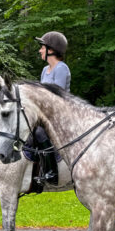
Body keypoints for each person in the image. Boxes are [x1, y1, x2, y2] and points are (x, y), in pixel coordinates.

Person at [30, 31, 70, 186]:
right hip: (45, 113)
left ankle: (52, 172)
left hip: (58, 115)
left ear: (51, 50)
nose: (40, 50)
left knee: (40, 132)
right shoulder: (44, 70)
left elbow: (55, 96)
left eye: (42, 47)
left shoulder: (61, 68)